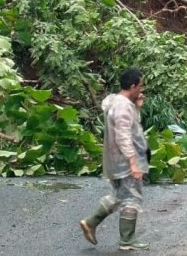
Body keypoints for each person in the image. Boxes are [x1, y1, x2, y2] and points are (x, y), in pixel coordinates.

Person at [79, 69, 150, 251]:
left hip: (117, 160)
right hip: (124, 161)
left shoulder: (119, 103)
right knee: (131, 198)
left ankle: (90, 222)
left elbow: (129, 126)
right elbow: (123, 136)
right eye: (140, 85)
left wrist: (137, 107)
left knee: (120, 196)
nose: (141, 89)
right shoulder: (122, 106)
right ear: (133, 86)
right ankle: (127, 240)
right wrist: (133, 163)